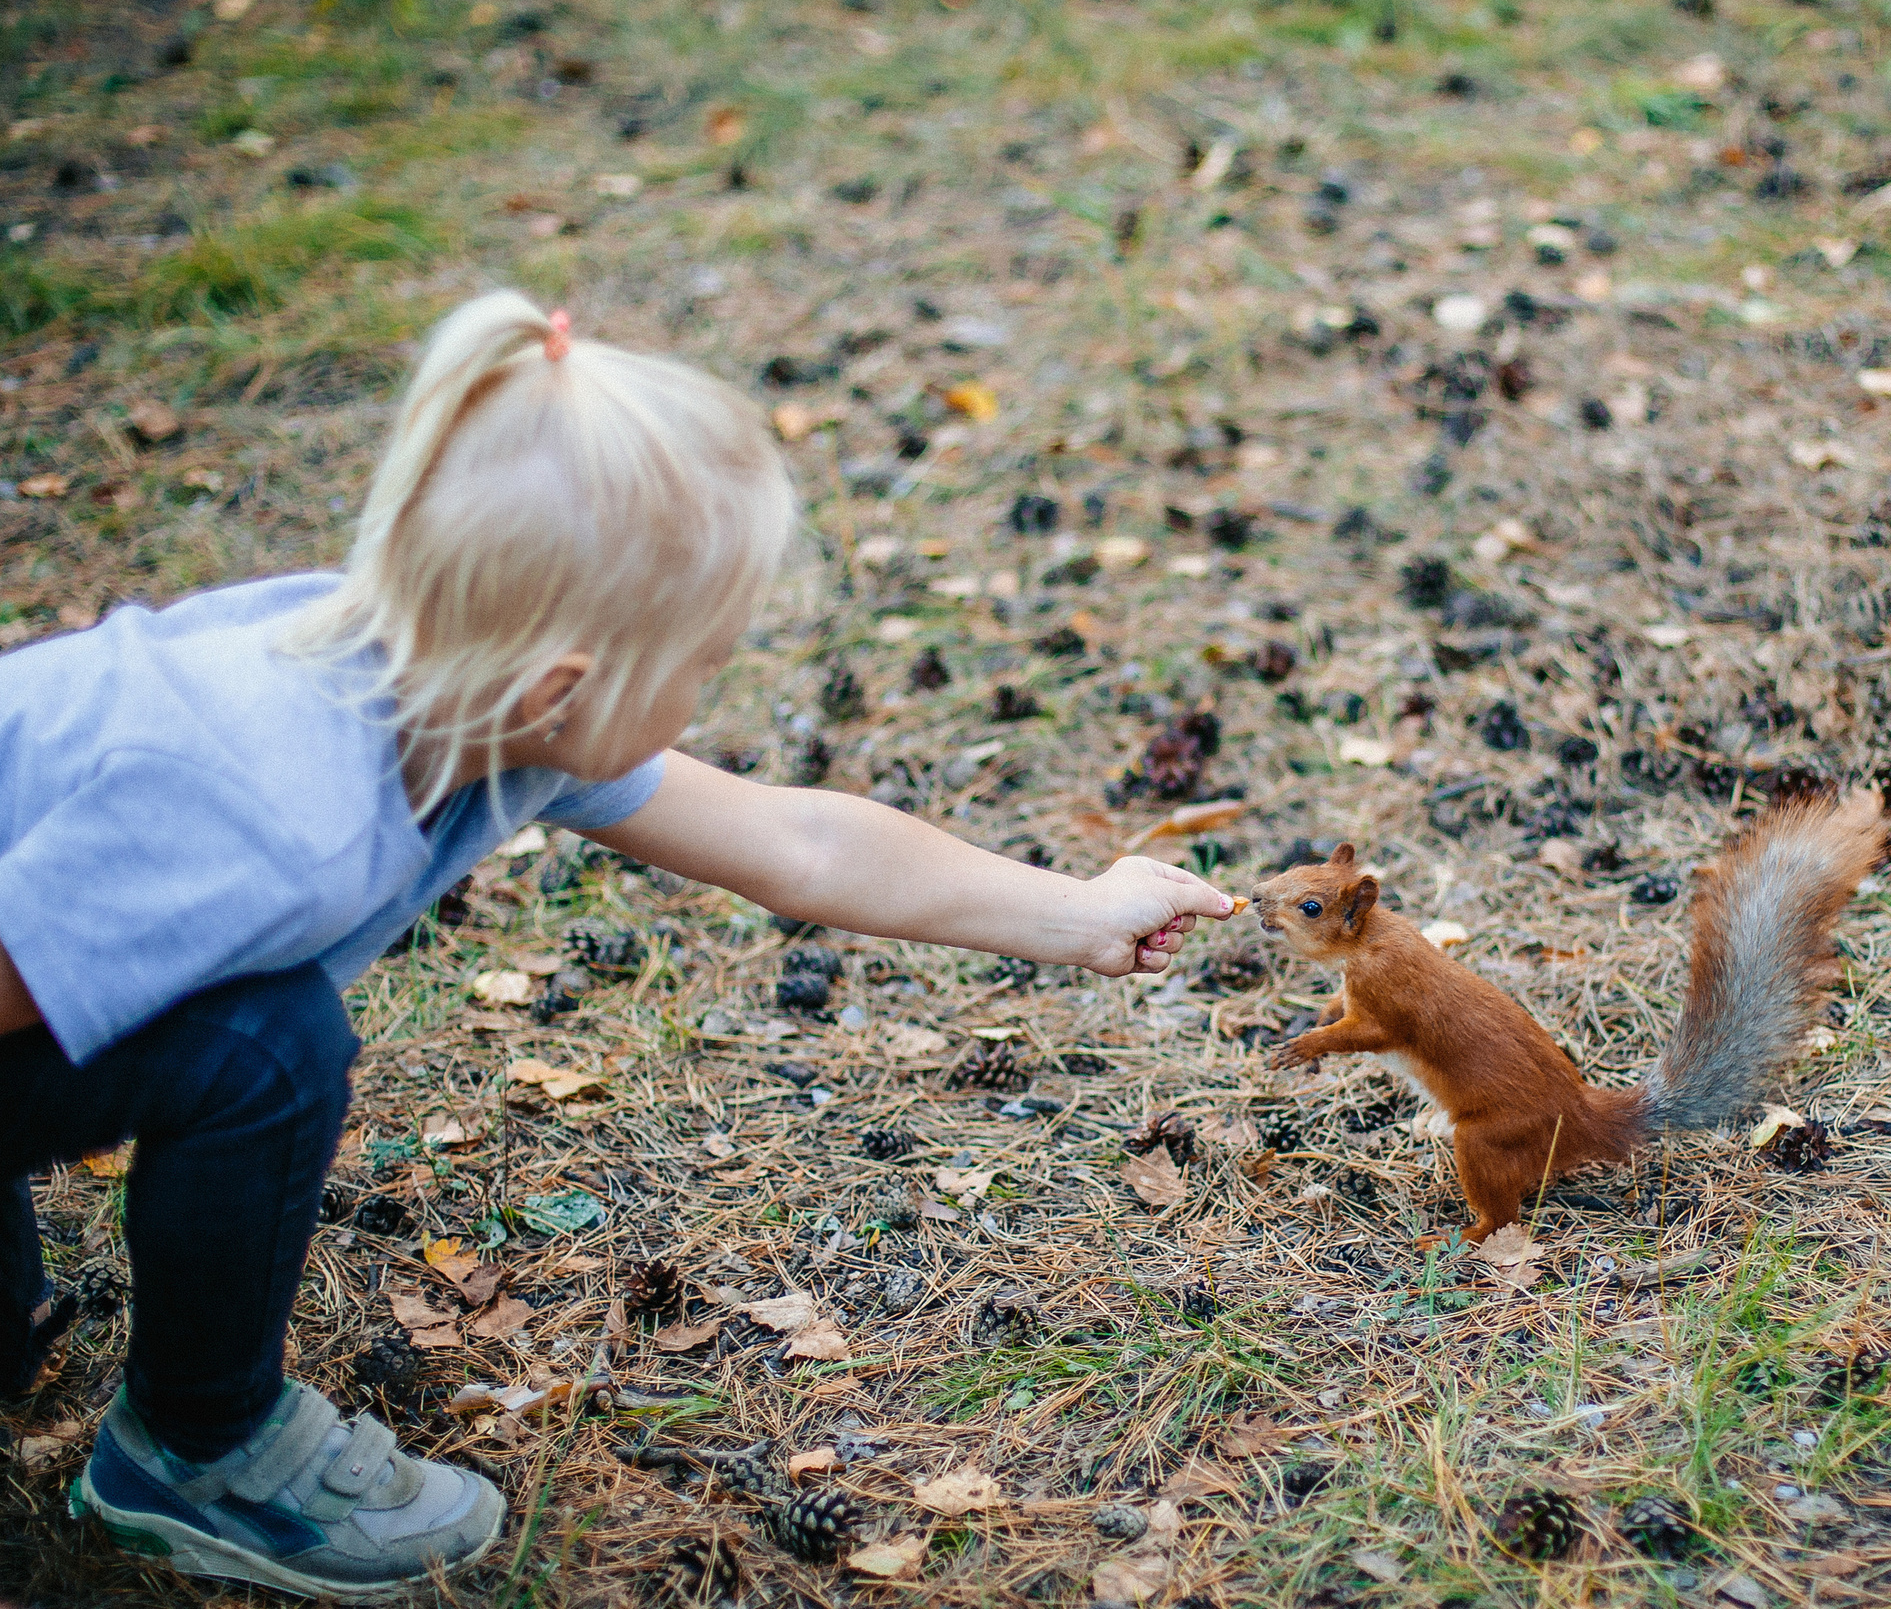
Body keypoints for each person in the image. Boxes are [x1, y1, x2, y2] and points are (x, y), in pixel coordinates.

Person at [0, 291, 1235, 1602]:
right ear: (562, 689)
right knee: (271, 1052)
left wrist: (1078, 911)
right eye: (700, 667)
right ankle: (202, 1452)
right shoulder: (274, 809)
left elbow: (801, 845)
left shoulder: (460, 690)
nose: (704, 700)